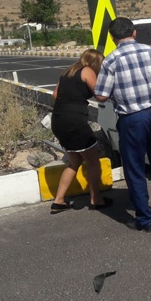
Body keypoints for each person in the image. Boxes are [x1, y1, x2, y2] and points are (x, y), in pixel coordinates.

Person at [94, 17, 151, 232]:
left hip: (131, 119)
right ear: (134, 33)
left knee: (135, 169)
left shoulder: (111, 60)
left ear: (113, 38)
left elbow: (101, 96)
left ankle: (145, 220)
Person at [50, 49, 112, 214]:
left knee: (75, 162)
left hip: (58, 120)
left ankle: (59, 201)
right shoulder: (87, 71)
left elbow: (55, 95)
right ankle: (96, 199)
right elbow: (99, 95)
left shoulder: (67, 72)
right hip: (75, 122)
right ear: (95, 62)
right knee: (93, 161)